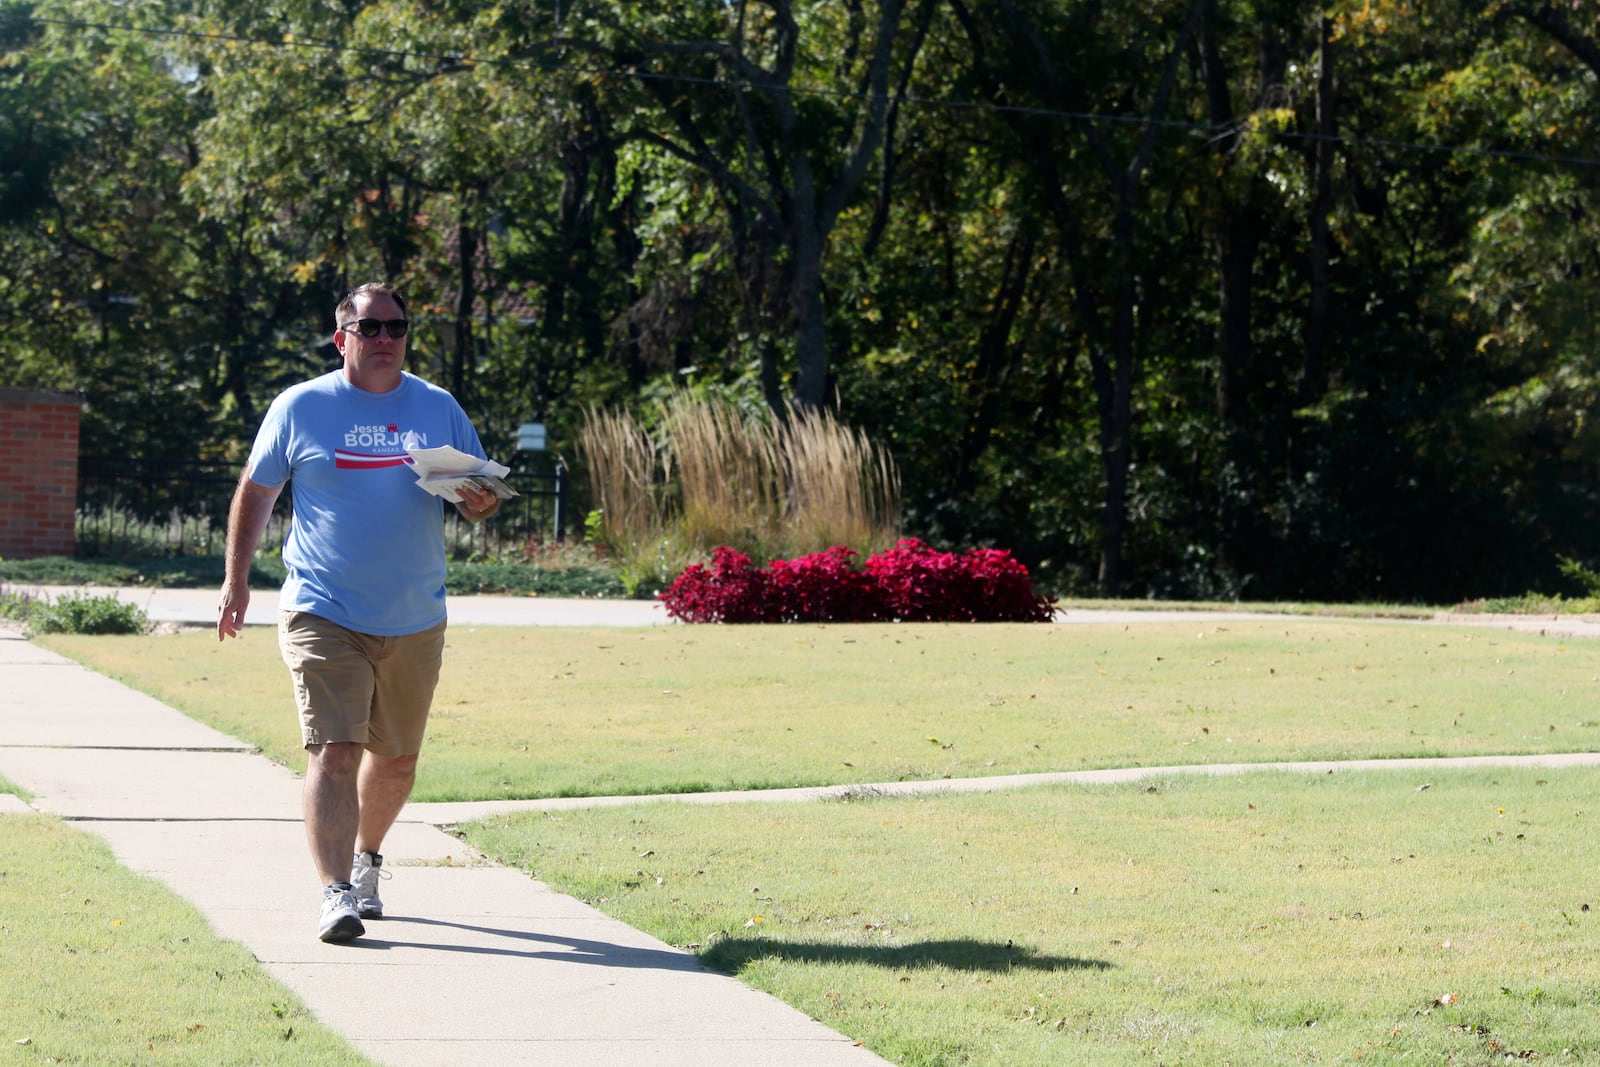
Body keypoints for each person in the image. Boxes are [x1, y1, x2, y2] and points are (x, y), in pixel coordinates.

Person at [216, 282, 501, 943]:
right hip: (324, 606)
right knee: (335, 749)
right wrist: (236, 580)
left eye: (395, 327)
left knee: (397, 758)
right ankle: (335, 892)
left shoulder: (437, 407)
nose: (384, 339)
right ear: (341, 336)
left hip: (413, 612)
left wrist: (480, 500)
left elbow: (478, 494)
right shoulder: (302, 407)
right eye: (369, 327)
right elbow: (256, 490)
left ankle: (368, 857)